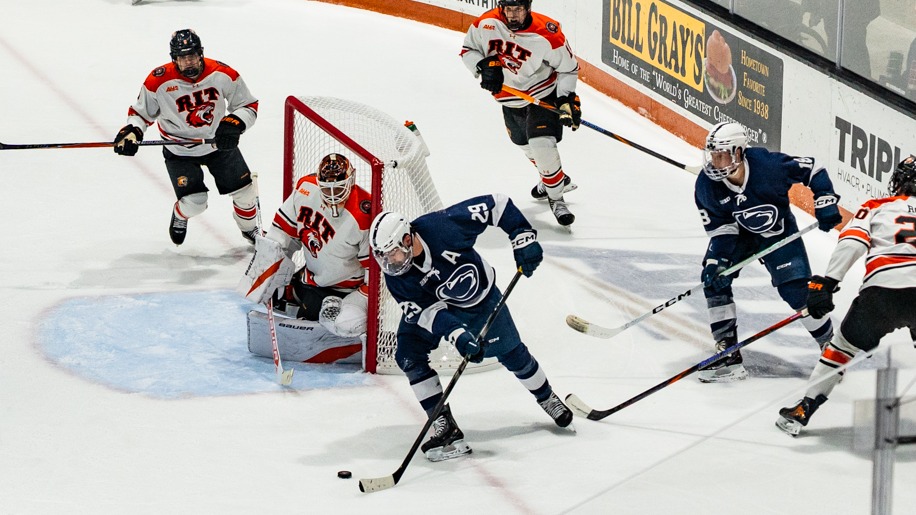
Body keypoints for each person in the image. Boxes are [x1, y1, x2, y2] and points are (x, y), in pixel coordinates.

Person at [368, 194, 573, 462]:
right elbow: (429, 314)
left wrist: (523, 236)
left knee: (512, 353)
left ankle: (546, 397)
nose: (389, 263)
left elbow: (498, 204)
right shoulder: (397, 278)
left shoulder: (443, 227)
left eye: (392, 252)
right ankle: (443, 423)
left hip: (479, 300)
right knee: (407, 354)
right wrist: (459, 336)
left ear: (408, 239)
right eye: (383, 257)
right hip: (439, 307)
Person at [776, 155, 916, 436]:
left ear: (899, 181)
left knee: (840, 348)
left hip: (883, 292)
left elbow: (852, 242)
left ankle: (804, 409)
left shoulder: (877, 206)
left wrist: (827, 283)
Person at [694, 122, 843, 382]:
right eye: (713, 155)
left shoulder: (769, 166)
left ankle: (831, 348)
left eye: (723, 155)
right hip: (739, 236)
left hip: (779, 233)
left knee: (796, 291)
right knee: (714, 281)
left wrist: (825, 199)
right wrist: (717, 261)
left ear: (739, 152)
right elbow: (721, 229)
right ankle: (727, 351)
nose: (716, 162)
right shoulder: (706, 186)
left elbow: (814, 169)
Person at [113, 29, 260, 246]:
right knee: (195, 203)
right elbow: (140, 114)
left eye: (192, 56)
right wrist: (132, 131)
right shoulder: (158, 81)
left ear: (201, 53)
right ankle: (180, 215)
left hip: (216, 144)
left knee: (246, 194)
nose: (188, 62)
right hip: (179, 149)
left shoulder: (222, 73)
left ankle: (250, 230)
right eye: (182, 58)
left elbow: (247, 104)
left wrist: (235, 123)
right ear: (174, 59)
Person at [460, 0, 581, 227]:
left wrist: (566, 98)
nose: (512, 15)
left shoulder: (548, 33)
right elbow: (468, 50)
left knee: (542, 144)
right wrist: (483, 65)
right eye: (508, 9)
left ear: (528, 8)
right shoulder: (486, 24)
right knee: (522, 143)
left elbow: (568, 68)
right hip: (509, 98)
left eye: (518, 9)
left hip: (542, 93)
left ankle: (557, 198)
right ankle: (553, 179)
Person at [238, 153, 372, 339]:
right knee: (268, 290)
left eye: (339, 188)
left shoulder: (365, 215)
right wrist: (270, 267)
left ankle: (340, 319)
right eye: (326, 189)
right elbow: (282, 233)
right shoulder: (305, 190)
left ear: (352, 179)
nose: (333, 195)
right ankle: (299, 295)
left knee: (345, 324)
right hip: (311, 280)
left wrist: (358, 303)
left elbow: (375, 275)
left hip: (347, 290)